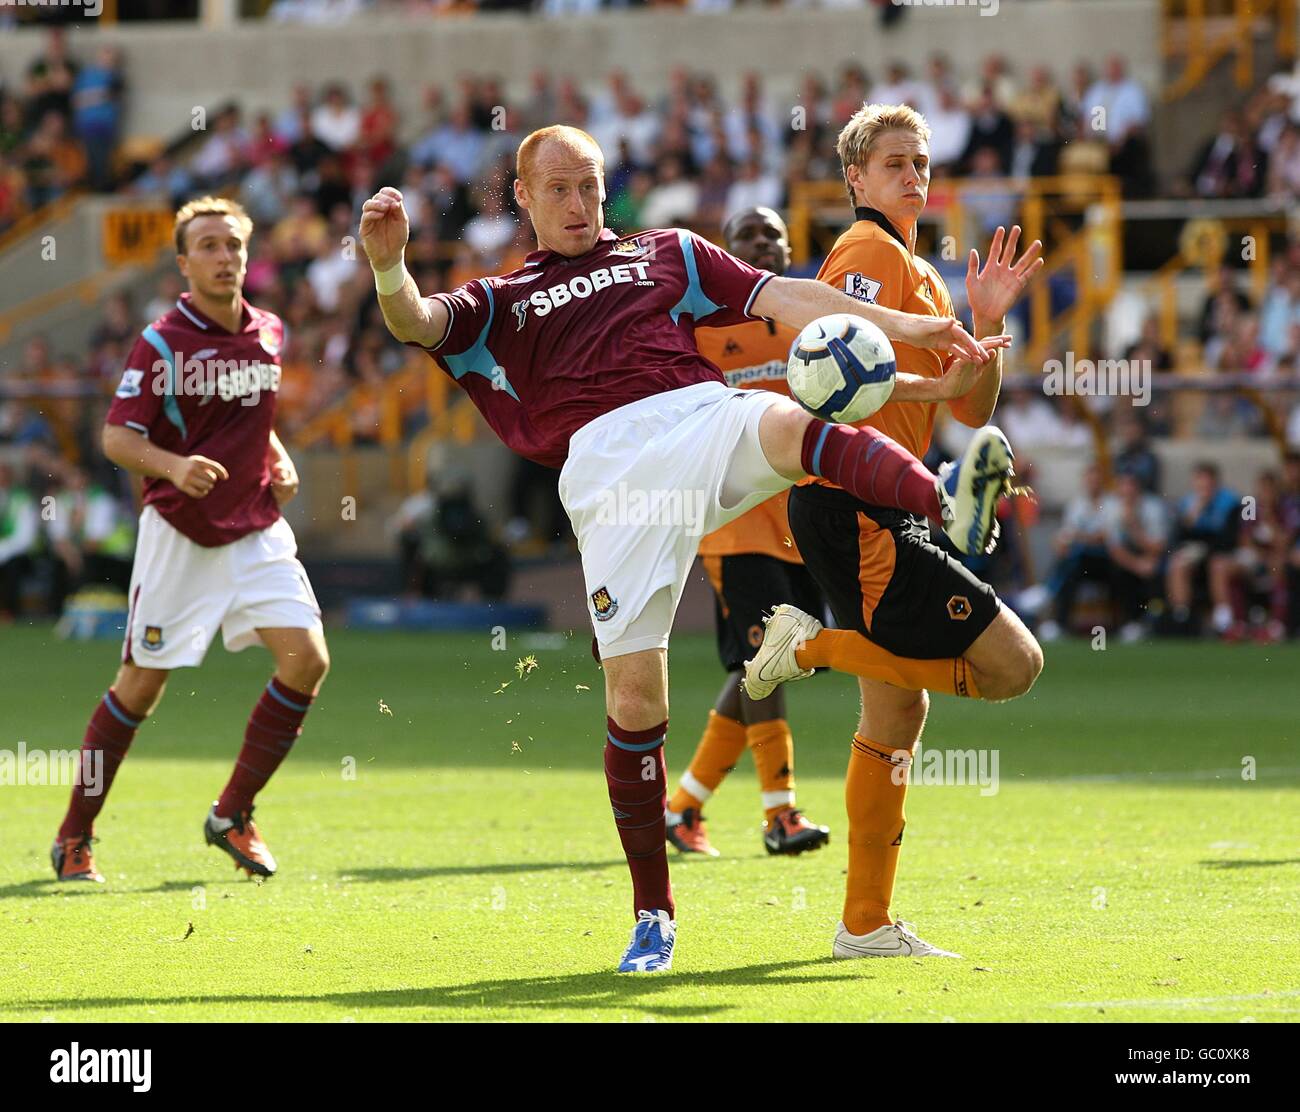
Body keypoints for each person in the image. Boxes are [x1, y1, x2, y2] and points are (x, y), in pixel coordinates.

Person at [360, 124, 1015, 974]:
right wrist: (387, 265)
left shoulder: (666, 251)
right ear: (521, 197)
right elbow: (414, 319)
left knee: (794, 421)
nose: (576, 202)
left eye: (589, 185)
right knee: (635, 702)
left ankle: (948, 502)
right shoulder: (501, 300)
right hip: (608, 472)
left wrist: (915, 329)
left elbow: (787, 300)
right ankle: (653, 914)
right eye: (556, 187)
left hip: (698, 417)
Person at [742, 103, 1045, 961]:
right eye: (895, 162)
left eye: (921, 160)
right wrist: (942, 381)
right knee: (1013, 666)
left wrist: (983, 333)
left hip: (882, 503)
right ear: (857, 180)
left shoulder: (925, 274)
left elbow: (969, 408)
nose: (915, 174)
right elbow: (835, 374)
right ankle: (807, 648)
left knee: (898, 712)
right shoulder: (869, 253)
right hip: (857, 500)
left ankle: (864, 924)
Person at [50, 197, 329, 885]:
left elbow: (249, 415)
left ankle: (232, 813)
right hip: (180, 535)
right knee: (140, 690)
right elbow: (116, 436)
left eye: (233, 244)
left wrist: (277, 453)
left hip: (256, 527)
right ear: (184, 262)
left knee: (307, 661)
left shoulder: (269, 332)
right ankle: (74, 834)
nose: (223, 255)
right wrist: (174, 467)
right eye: (207, 245)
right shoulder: (162, 342)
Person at [665, 206, 831, 859]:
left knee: (770, 664)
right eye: (746, 237)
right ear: (724, 253)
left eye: (772, 234)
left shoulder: (818, 330)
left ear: (792, 249)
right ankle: (780, 813)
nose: (761, 243)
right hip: (735, 524)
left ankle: (683, 808)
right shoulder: (704, 333)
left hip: (804, 521)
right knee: (765, 663)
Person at [1164, 461, 1241, 636]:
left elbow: (1231, 539)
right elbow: (1177, 539)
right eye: (1199, 481)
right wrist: (1191, 516)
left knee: (1217, 565)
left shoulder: (1230, 503)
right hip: (1198, 549)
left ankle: (1224, 622)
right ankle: (1181, 617)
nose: (1203, 486)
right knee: (1177, 563)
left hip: (1222, 551)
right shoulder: (1188, 503)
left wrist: (1207, 550)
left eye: (1207, 481)